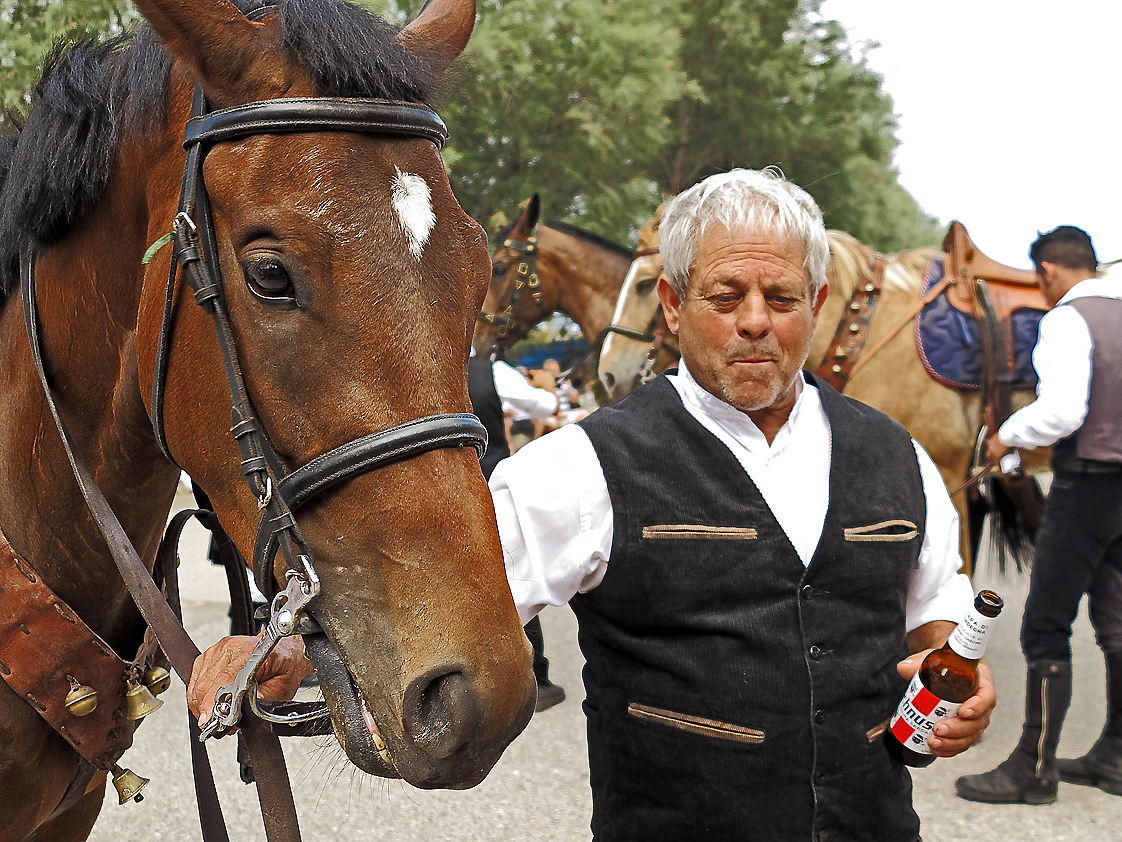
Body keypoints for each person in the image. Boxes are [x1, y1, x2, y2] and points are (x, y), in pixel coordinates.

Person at [186, 169, 994, 841]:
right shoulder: (586, 465)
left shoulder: (901, 460)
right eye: (726, 296)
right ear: (673, 308)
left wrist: (961, 687)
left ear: (816, 304)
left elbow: (937, 620)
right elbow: (431, 588)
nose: (755, 322)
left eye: (781, 298)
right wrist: (280, 646)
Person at [956, 226, 1122, 805]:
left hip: (1088, 486)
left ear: (1047, 272)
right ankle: (1117, 755)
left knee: (1045, 627)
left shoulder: (1067, 319)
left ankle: (1035, 767)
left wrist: (1005, 435)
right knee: (1116, 621)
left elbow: (1064, 412)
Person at [468, 349, 566, 710]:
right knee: (512, 571)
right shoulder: (491, 370)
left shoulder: (415, 362)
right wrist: (547, 387)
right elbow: (543, 406)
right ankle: (535, 674)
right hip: (490, 482)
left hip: (437, 487)